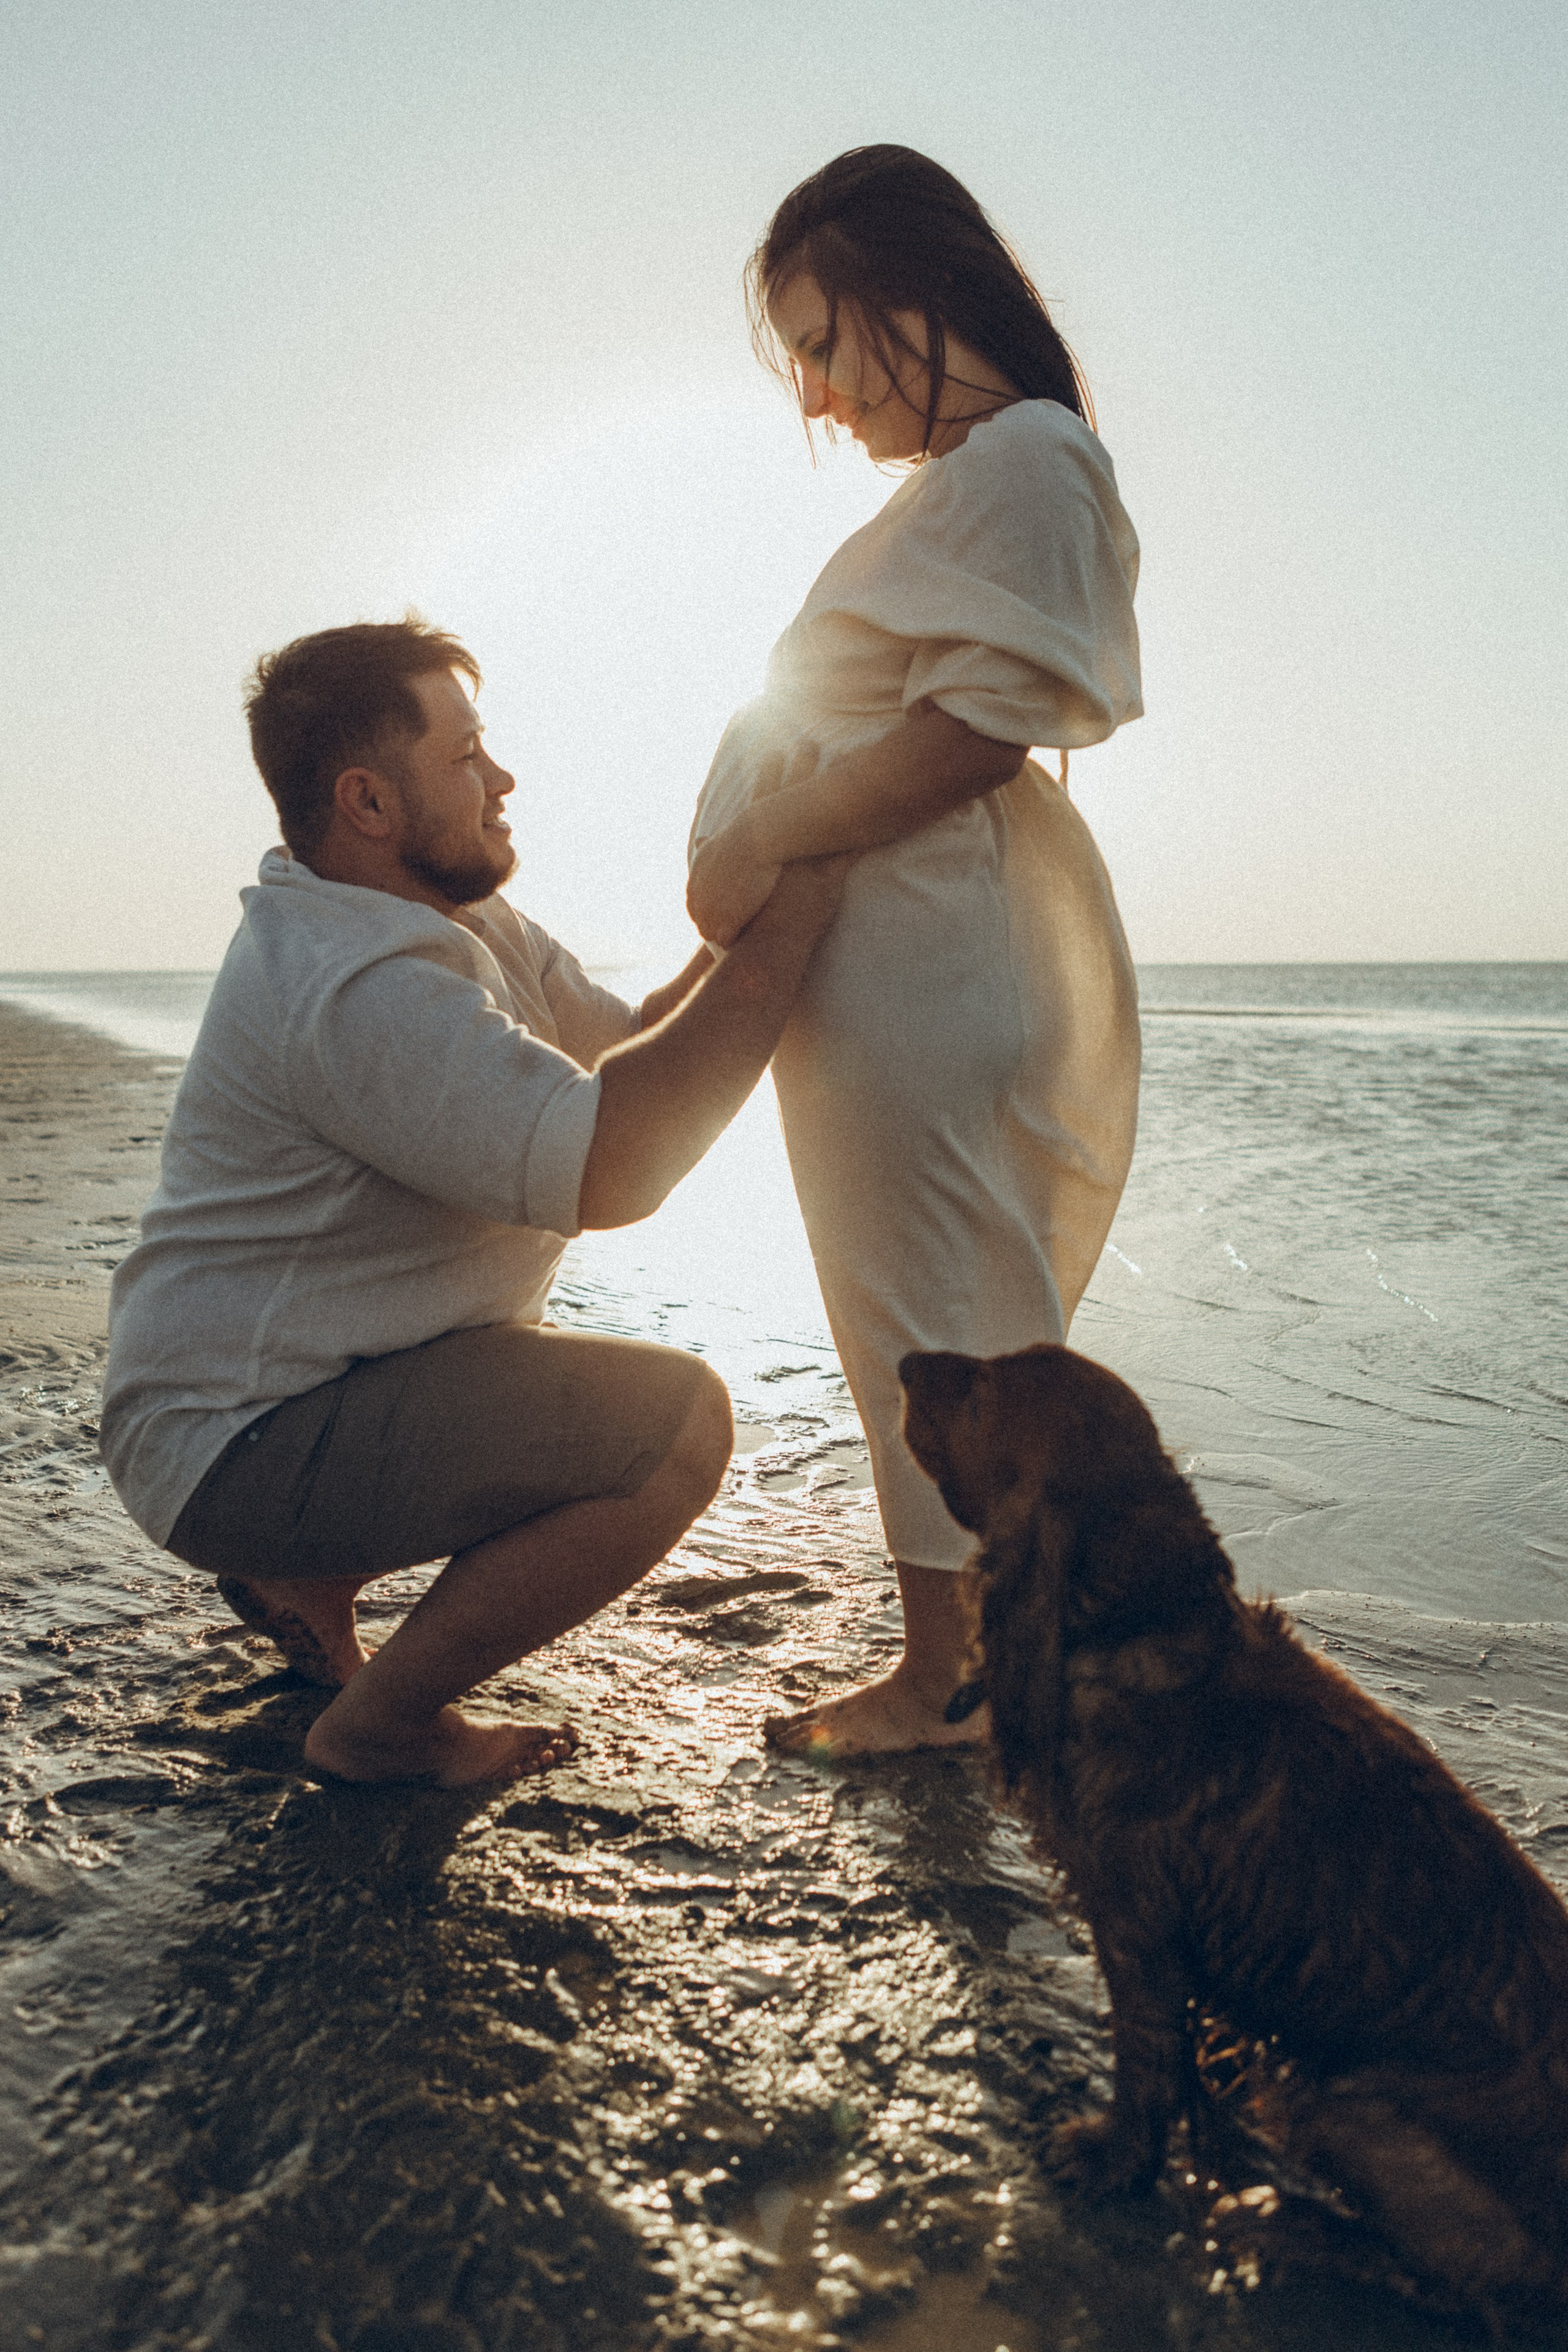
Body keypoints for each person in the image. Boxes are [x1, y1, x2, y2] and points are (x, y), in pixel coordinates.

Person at [100, 619, 843, 1788]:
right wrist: (808, 892)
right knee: (673, 1429)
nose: (501, 780)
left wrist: (742, 919)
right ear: (369, 802)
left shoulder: (457, 912)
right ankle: (380, 1723)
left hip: (284, 1392)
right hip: (231, 1440)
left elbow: (631, 1046)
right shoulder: (354, 984)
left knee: (545, 1373)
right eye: (465, 757)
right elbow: (615, 1169)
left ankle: (308, 1580)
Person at [687, 146, 1144, 1759]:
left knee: (938, 1322)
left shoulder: (1023, 455)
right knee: (924, 1314)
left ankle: (956, 1681)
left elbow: (970, 733)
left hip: (938, 959)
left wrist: (763, 838)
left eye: (822, 341)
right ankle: (978, 1661)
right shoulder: (968, 483)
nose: (814, 393)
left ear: (916, 297)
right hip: (907, 958)